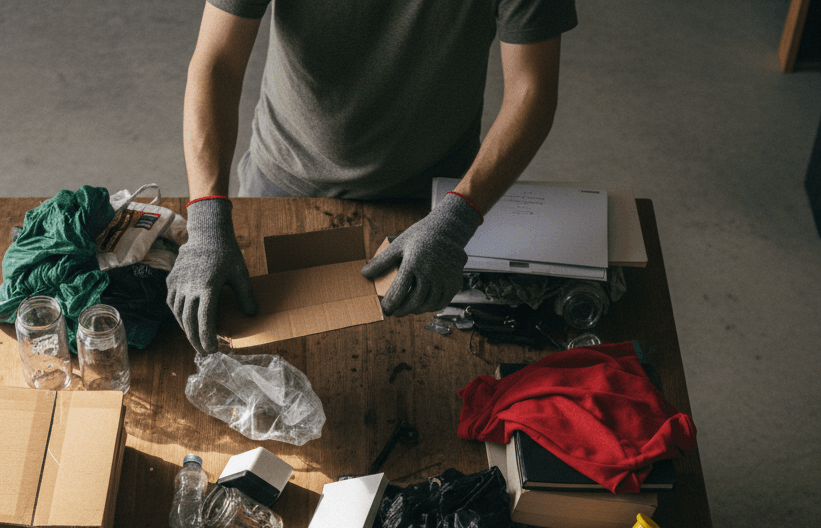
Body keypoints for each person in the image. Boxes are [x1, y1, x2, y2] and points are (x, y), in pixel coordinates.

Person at [167, 0, 578, 354]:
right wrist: (205, 220)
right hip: (285, 185)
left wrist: (456, 220)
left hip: (436, 205)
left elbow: (532, 91)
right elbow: (217, 62)